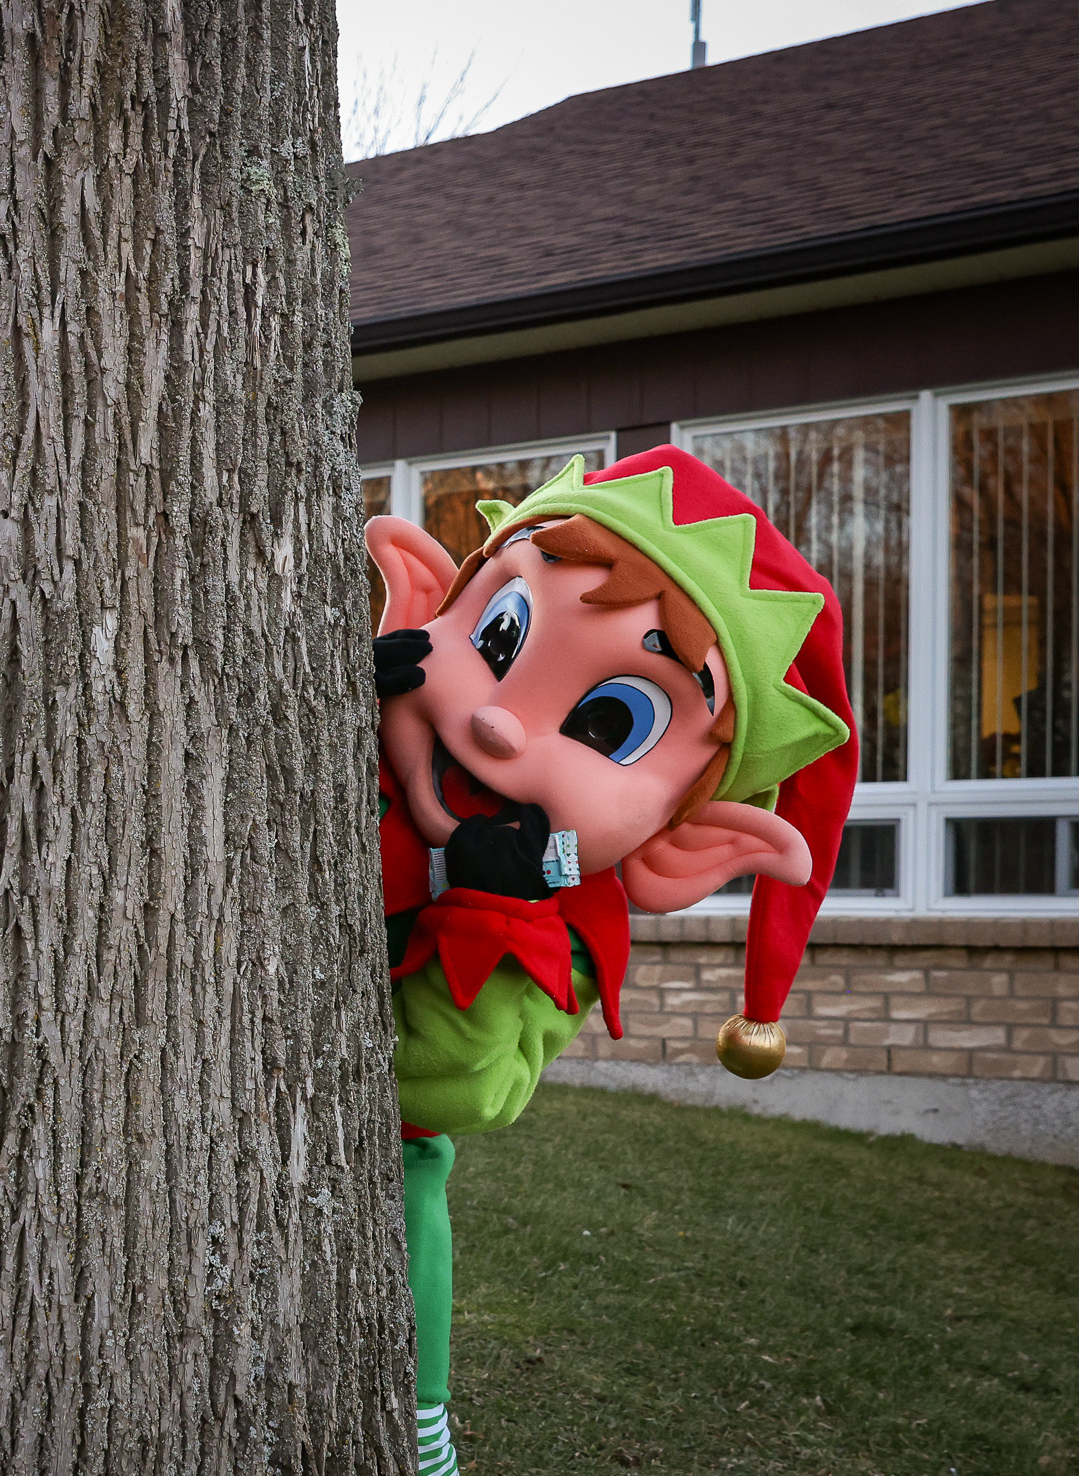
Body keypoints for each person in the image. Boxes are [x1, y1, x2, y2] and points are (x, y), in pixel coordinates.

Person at [367, 445, 858, 1475]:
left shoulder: (563, 929)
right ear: (423, 593)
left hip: (366, 1218)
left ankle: (419, 1424)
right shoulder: (385, 717)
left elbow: (460, 1090)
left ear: (686, 843)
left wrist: (486, 912)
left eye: (607, 722)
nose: (497, 724)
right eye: (497, 634)